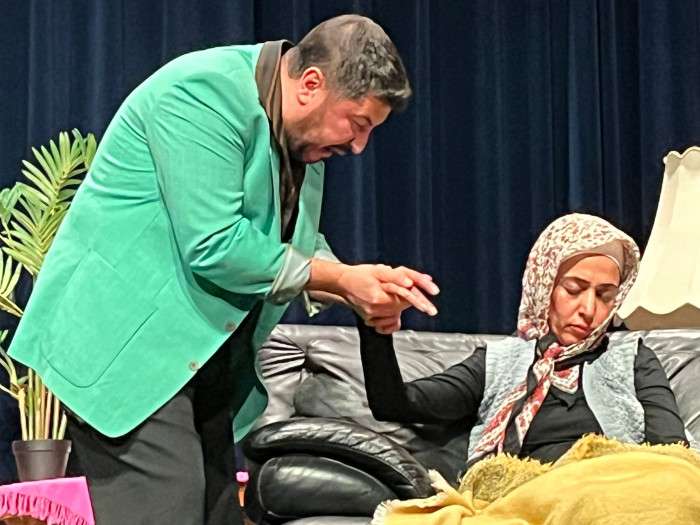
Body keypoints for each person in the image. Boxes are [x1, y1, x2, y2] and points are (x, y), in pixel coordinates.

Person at [8, 14, 438, 525]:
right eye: (357, 123)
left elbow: (293, 244)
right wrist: (344, 281)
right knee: (168, 509)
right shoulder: (201, 95)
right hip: (125, 351)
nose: (358, 146)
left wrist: (362, 285)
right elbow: (216, 244)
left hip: (196, 360)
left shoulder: (302, 134)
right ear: (311, 83)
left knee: (216, 515)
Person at [358, 213, 697, 523]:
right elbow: (395, 404)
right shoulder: (500, 362)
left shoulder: (632, 358)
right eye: (574, 289)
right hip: (530, 499)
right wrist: (376, 329)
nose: (588, 308)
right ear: (544, 285)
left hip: (618, 491)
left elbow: (671, 451)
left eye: (605, 295)